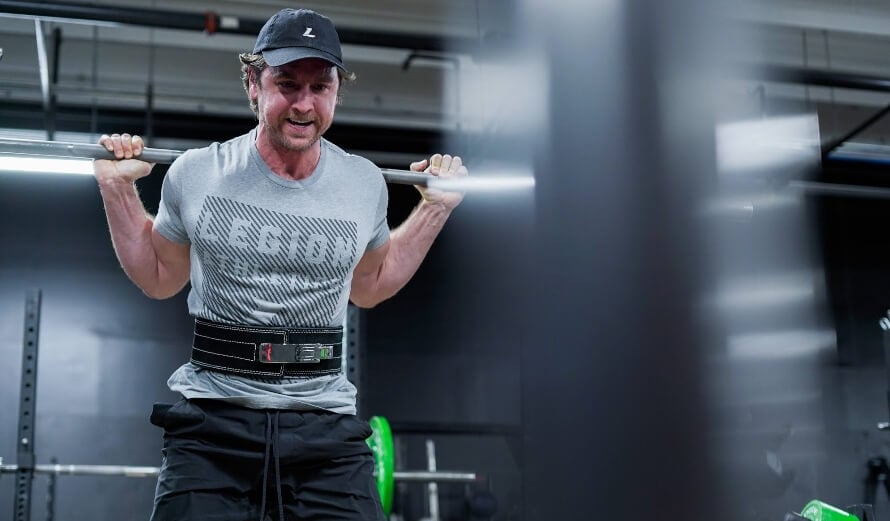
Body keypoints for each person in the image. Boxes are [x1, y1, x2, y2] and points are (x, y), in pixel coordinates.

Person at [92, 7, 467, 521]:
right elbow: (160, 277)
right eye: (287, 84)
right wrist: (117, 190)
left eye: (321, 86)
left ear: (338, 89)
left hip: (324, 430)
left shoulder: (363, 185)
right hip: (213, 426)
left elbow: (372, 285)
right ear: (253, 82)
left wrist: (435, 208)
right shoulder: (197, 173)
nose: (304, 104)